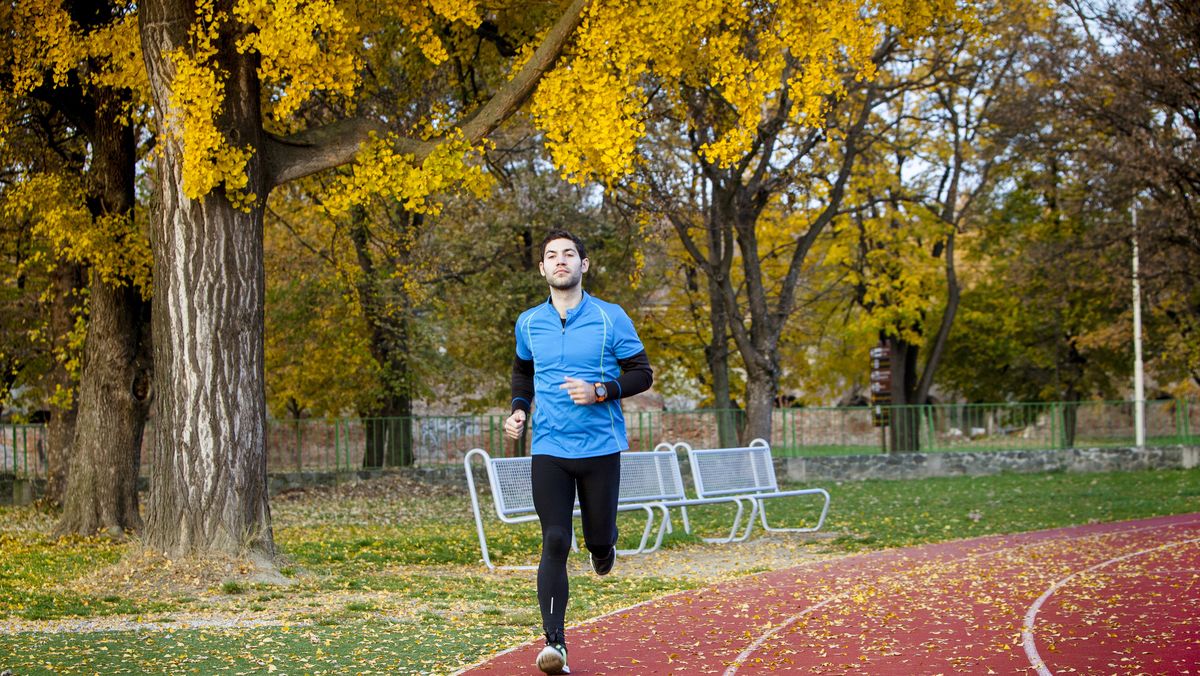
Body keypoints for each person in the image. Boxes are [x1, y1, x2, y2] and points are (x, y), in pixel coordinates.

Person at [504, 229, 653, 675]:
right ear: (543, 269)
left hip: (601, 448)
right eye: (552, 255)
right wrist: (518, 410)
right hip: (549, 447)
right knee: (554, 539)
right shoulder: (528, 322)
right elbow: (521, 372)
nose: (560, 260)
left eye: (569, 254)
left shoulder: (611, 317)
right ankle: (556, 645)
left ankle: (604, 550)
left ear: (583, 265)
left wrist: (601, 390)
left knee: (598, 540)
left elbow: (641, 373)